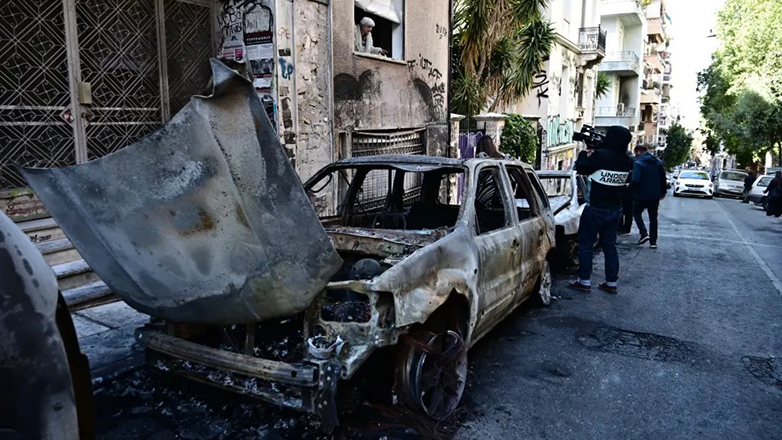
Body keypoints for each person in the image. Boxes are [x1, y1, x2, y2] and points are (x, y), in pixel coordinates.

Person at [568, 126, 633, 294]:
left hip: (595, 208)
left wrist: (585, 152)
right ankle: (611, 282)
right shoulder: (627, 159)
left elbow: (581, 168)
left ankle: (584, 281)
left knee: (586, 245)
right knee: (610, 246)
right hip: (615, 209)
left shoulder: (601, 156)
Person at [630, 144, 667, 248]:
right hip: (655, 194)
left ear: (638, 152)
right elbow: (663, 178)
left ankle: (643, 233)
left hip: (641, 194)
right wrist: (663, 192)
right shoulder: (658, 162)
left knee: (636, 212)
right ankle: (653, 242)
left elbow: (636, 180)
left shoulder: (638, 163)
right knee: (653, 218)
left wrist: (630, 189)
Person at [617, 150, 635, 236]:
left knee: (621, 208)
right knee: (628, 210)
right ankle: (626, 228)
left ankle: (621, 227)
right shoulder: (632, 163)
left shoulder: (621, 162)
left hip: (622, 188)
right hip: (628, 189)